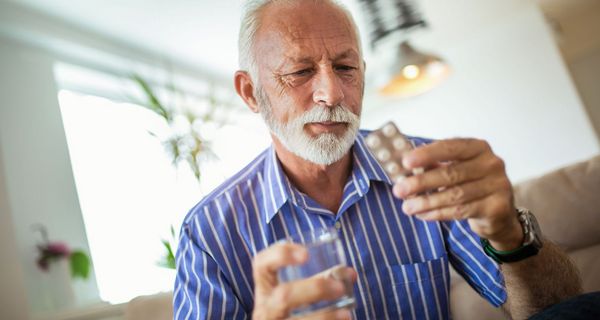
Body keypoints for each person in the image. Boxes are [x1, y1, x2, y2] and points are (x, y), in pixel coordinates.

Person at [174, 0, 582, 319]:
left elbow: (556, 311)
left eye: (345, 66)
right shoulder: (208, 233)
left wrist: (509, 233)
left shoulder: (426, 171)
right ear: (250, 92)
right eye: (299, 72)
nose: (331, 94)